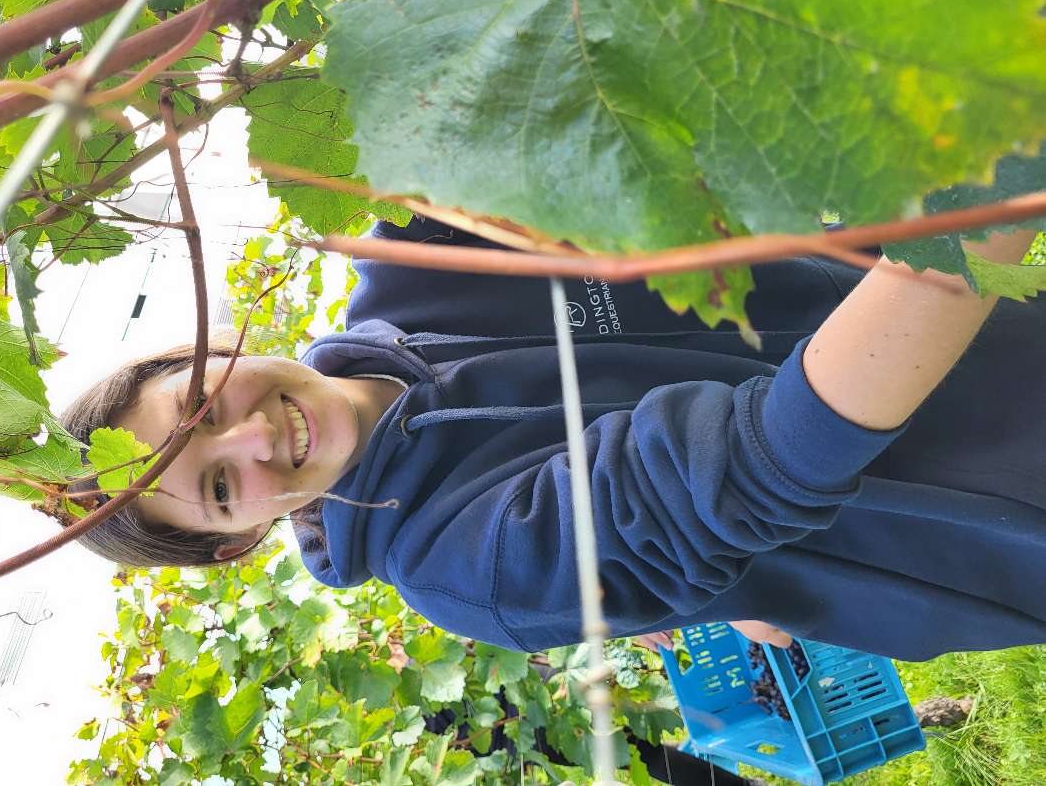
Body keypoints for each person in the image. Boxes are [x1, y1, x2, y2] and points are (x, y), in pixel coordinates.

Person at [61, 215, 1046, 661]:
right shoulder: (466, 566)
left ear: (205, 347)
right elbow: (772, 460)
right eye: (218, 488)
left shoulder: (417, 257)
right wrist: (989, 191)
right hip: (1015, 505)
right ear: (237, 542)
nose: (251, 440)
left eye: (201, 405)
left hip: (1002, 326)